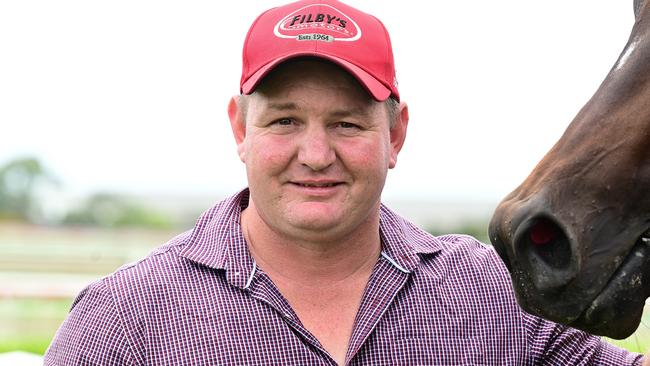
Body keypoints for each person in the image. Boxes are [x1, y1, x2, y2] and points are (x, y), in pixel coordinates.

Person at [45, 1, 647, 365]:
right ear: (239, 128)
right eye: (284, 121)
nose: (315, 154)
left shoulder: (494, 296)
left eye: (346, 124)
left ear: (397, 135)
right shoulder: (120, 323)